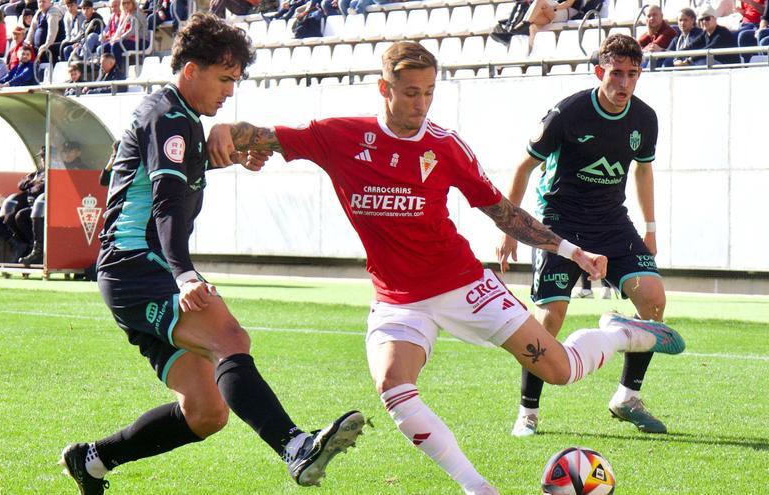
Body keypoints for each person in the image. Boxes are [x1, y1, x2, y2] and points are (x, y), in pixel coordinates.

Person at [206, 40, 685, 495]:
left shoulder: (445, 146)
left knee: (560, 370)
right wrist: (227, 131)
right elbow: (261, 137)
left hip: (464, 286)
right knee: (393, 385)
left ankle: (621, 333)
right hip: (398, 298)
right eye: (411, 93)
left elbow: (503, 211)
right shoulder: (342, 137)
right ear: (384, 89)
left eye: (429, 92)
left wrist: (571, 252)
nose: (421, 104)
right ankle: (477, 487)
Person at [59, 13, 365, 495]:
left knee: (206, 412)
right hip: (139, 266)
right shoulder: (169, 116)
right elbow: (164, 203)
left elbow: (157, 170)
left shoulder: (173, 116)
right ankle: (296, 447)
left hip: (130, 272)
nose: (229, 90)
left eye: (235, 81)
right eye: (224, 79)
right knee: (229, 335)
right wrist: (183, 274)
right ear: (191, 71)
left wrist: (223, 139)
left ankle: (92, 459)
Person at [497, 34, 679, 438]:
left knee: (653, 300)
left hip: (612, 221)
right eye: (616, 73)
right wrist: (509, 228)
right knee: (550, 317)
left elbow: (643, 170)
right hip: (560, 221)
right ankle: (528, 411)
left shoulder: (644, 118)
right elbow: (524, 167)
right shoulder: (568, 113)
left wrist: (650, 230)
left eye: (633, 74)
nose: (624, 83)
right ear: (600, 71)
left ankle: (627, 397)